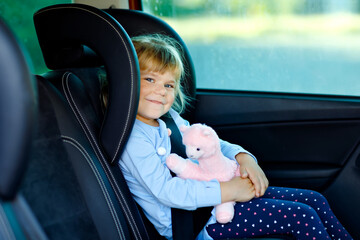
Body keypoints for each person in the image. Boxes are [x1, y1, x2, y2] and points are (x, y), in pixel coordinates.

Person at [110, 33, 352, 240]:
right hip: (195, 223)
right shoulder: (133, 138)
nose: (160, 92)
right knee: (301, 215)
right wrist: (230, 191)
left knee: (315, 200)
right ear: (127, 83)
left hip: (217, 200)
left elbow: (209, 144)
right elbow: (166, 192)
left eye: (169, 85)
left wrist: (243, 156)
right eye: (150, 79)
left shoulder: (169, 118)